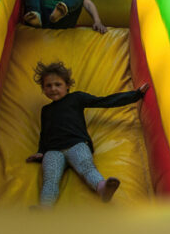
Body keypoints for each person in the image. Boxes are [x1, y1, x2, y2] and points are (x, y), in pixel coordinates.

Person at [26, 61, 149, 207]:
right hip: (53, 150)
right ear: (43, 89)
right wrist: (40, 152)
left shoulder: (76, 98)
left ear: (67, 86)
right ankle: (44, 208)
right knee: (50, 179)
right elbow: (44, 133)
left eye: (58, 84)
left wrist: (136, 95)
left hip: (76, 144)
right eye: (48, 86)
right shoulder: (45, 110)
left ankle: (103, 188)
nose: (53, 89)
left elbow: (103, 101)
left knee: (86, 167)